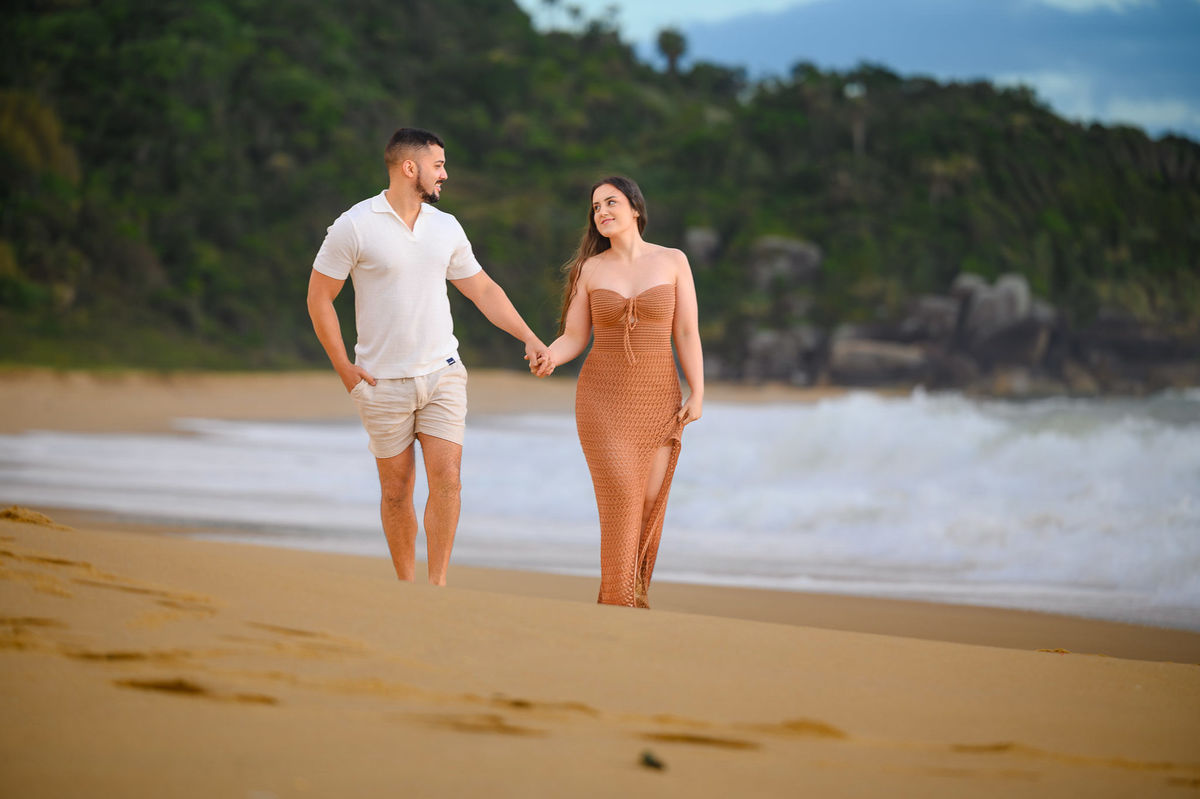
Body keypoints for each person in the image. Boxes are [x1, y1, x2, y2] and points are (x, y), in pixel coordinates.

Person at [307, 127, 547, 586]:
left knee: (449, 482)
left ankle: (436, 586)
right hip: (380, 382)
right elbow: (319, 297)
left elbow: (483, 290)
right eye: (438, 165)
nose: (446, 174)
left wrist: (529, 337)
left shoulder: (446, 227)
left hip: (443, 374)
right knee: (396, 492)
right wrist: (343, 366)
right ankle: (406, 587)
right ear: (409, 168)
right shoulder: (354, 225)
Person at [535, 176, 703, 608]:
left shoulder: (673, 261)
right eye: (595, 207)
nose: (602, 212)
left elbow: (686, 331)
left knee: (650, 497)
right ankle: (619, 600)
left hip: (657, 394)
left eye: (610, 203)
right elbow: (574, 336)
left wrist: (697, 391)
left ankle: (632, 590)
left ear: (635, 208)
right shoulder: (591, 269)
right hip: (602, 397)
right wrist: (550, 356)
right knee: (623, 497)